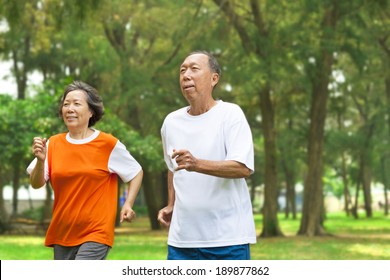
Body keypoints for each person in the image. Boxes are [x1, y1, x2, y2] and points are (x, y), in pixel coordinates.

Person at [27, 80, 143, 260]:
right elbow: (36, 183)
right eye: (66, 104)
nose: (70, 108)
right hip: (63, 233)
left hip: (96, 233)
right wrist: (41, 161)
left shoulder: (107, 144)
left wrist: (128, 203)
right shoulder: (52, 144)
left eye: (76, 104)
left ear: (91, 111)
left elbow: (135, 171)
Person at [157, 50, 256, 260]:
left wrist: (197, 164)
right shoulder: (171, 122)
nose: (186, 75)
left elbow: (242, 167)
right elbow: (173, 168)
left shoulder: (230, 114)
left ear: (214, 78)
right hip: (181, 240)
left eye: (194, 69)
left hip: (227, 239)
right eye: (182, 70)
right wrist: (171, 203)